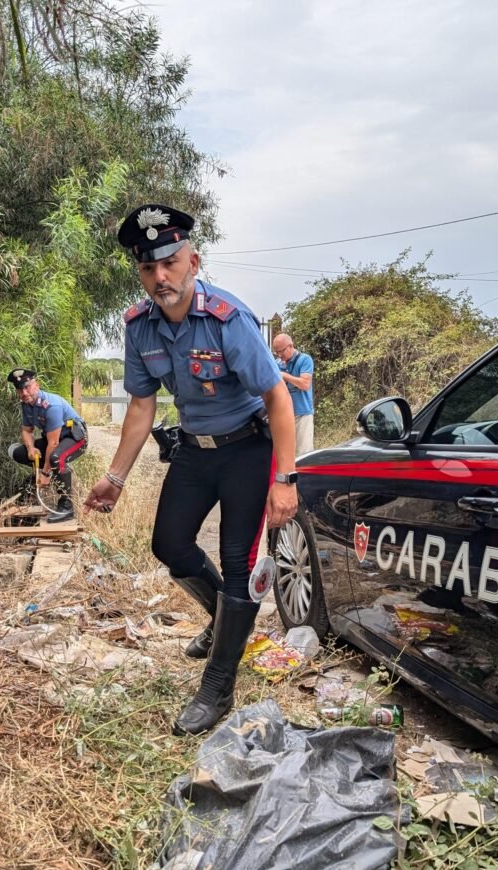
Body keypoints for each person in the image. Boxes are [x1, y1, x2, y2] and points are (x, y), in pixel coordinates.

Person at [83, 204, 298, 736]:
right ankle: (222, 621)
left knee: (236, 562)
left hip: (248, 450)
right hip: (195, 451)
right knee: (169, 543)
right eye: (148, 268)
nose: (161, 277)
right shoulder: (139, 327)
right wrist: (114, 477)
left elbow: (277, 398)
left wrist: (284, 479)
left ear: (192, 261)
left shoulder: (229, 319)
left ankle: (218, 684)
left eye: (170, 263)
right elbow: (140, 406)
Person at [6, 368, 87, 523]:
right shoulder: (26, 405)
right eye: (20, 390)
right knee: (18, 452)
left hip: (76, 438)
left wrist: (45, 473)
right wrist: (31, 448)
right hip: (56, 439)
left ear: (36, 385)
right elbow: (26, 430)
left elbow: (53, 443)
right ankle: (58, 472)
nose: (24, 393)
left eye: (27, 387)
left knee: (56, 458)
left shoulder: (51, 406)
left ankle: (66, 507)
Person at [271, 332, 315, 455]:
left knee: (304, 453)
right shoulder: (277, 364)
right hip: (284, 415)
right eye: (276, 352)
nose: (279, 355)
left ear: (290, 346)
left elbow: (305, 384)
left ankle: (305, 475)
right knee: (283, 453)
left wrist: (284, 376)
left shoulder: (305, 359)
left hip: (302, 414)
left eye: (281, 351)